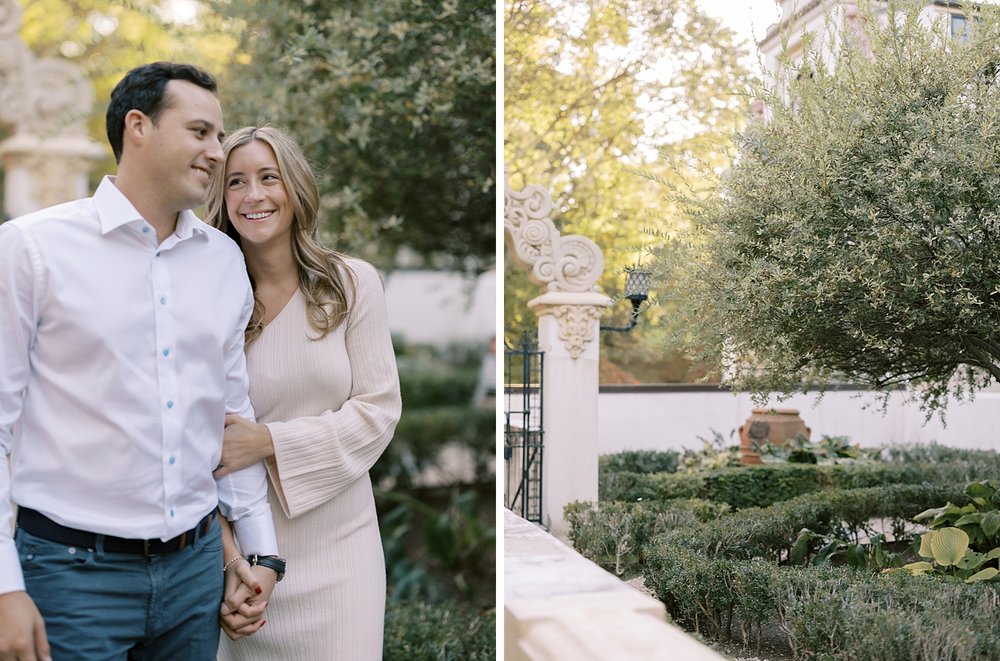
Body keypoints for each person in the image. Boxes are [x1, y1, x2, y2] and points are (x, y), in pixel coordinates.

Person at [0, 62, 282, 661]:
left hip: (198, 570)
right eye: (201, 132)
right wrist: (4, 585)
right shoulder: (31, 248)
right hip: (70, 577)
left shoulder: (224, 262)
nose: (217, 152)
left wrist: (259, 553)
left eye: (218, 136)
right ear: (139, 127)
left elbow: (232, 413)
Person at [206, 126, 401, 660]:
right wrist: (232, 564)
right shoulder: (207, 298)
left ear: (295, 188)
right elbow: (190, 446)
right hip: (241, 554)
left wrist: (268, 441)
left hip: (342, 548)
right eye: (236, 182)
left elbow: (378, 411)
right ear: (221, 199)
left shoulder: (351, 284)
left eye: (269, 178)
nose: (254, 196)